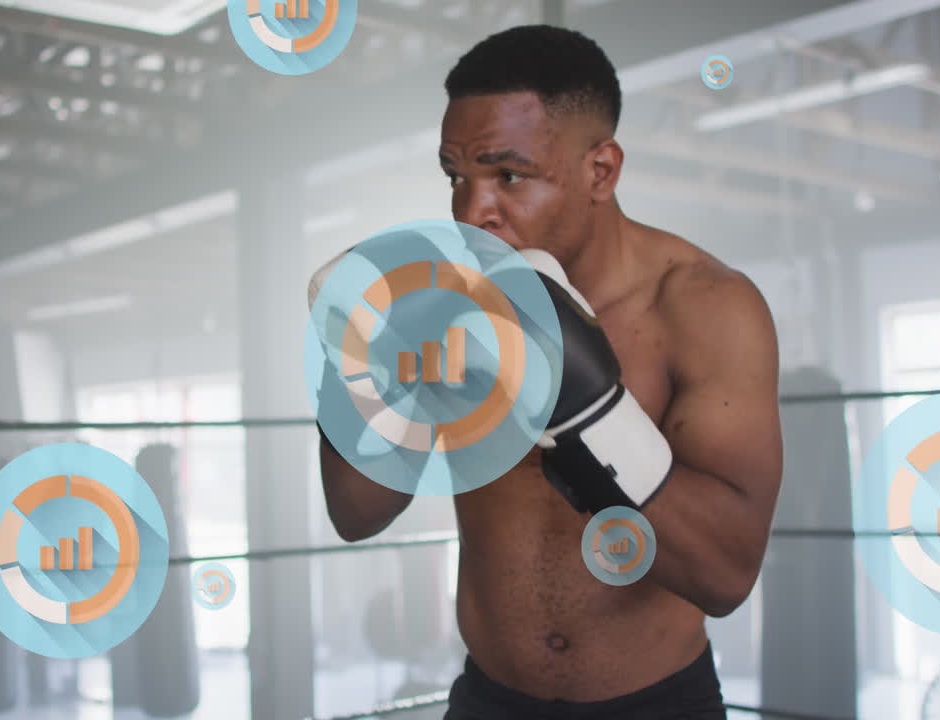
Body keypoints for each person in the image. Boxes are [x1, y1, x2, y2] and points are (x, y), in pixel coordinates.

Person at [312, 25, 783, 720]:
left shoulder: (705, 308)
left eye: (508, 175)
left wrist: (592, 416)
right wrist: (362, 362)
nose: (472, 211)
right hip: (489, 701)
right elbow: (356, 512)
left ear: (601, 171)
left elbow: (725, 577)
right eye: (456, 177)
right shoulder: (446, 300)